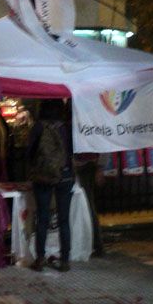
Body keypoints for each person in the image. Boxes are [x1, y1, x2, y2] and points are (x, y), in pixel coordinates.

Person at [27, 99, 73, 272]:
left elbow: (29, 151)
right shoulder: (66, 127)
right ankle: (65, 260)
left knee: (43, 217)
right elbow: (72, 150)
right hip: (65, 175)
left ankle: (40, 258)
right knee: (64, 219)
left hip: (43, 176)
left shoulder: (38, 127)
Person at [74, 152, 105, 257]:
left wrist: (99, 167)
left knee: (87, 206)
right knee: (87, 206)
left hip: (85, 165)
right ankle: (94, 244)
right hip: (86, 164)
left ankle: (95, 244)